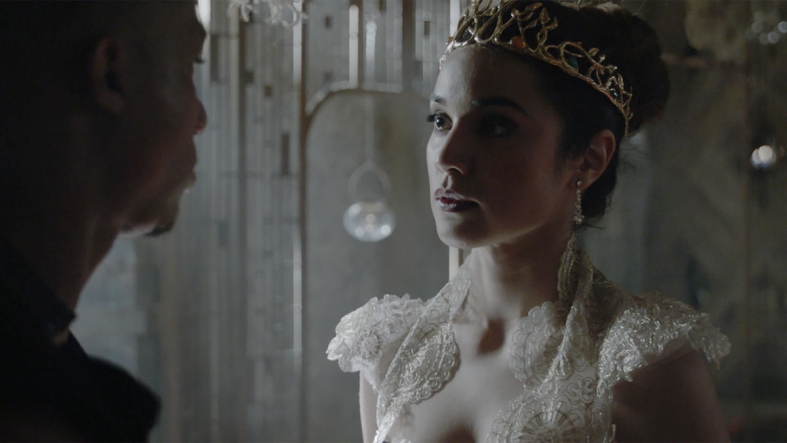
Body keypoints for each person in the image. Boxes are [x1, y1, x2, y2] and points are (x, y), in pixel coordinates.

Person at [327, 0, 731, 441]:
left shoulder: (644, 366)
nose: (448, 156)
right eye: (441, 120)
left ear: (589, 158)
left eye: (495, 127)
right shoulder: (389, 351)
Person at [0, 0, 207, 440]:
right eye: (191, 66)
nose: (201, 119)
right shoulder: (26, 413)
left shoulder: (39, 351)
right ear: (112, 76)